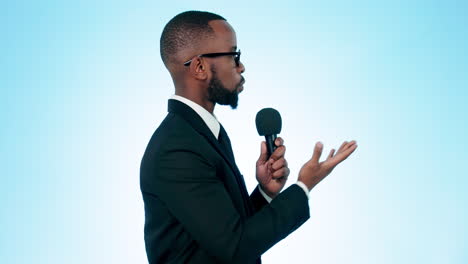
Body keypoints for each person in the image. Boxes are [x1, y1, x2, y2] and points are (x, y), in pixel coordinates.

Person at [140, 11, 358, 264]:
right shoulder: (176, 150)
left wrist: (265, 192)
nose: (241, 66)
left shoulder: (201, 134)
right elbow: (236, 247)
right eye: (234, 56)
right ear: (199, 67)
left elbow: (221, 232)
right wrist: (304, 186)